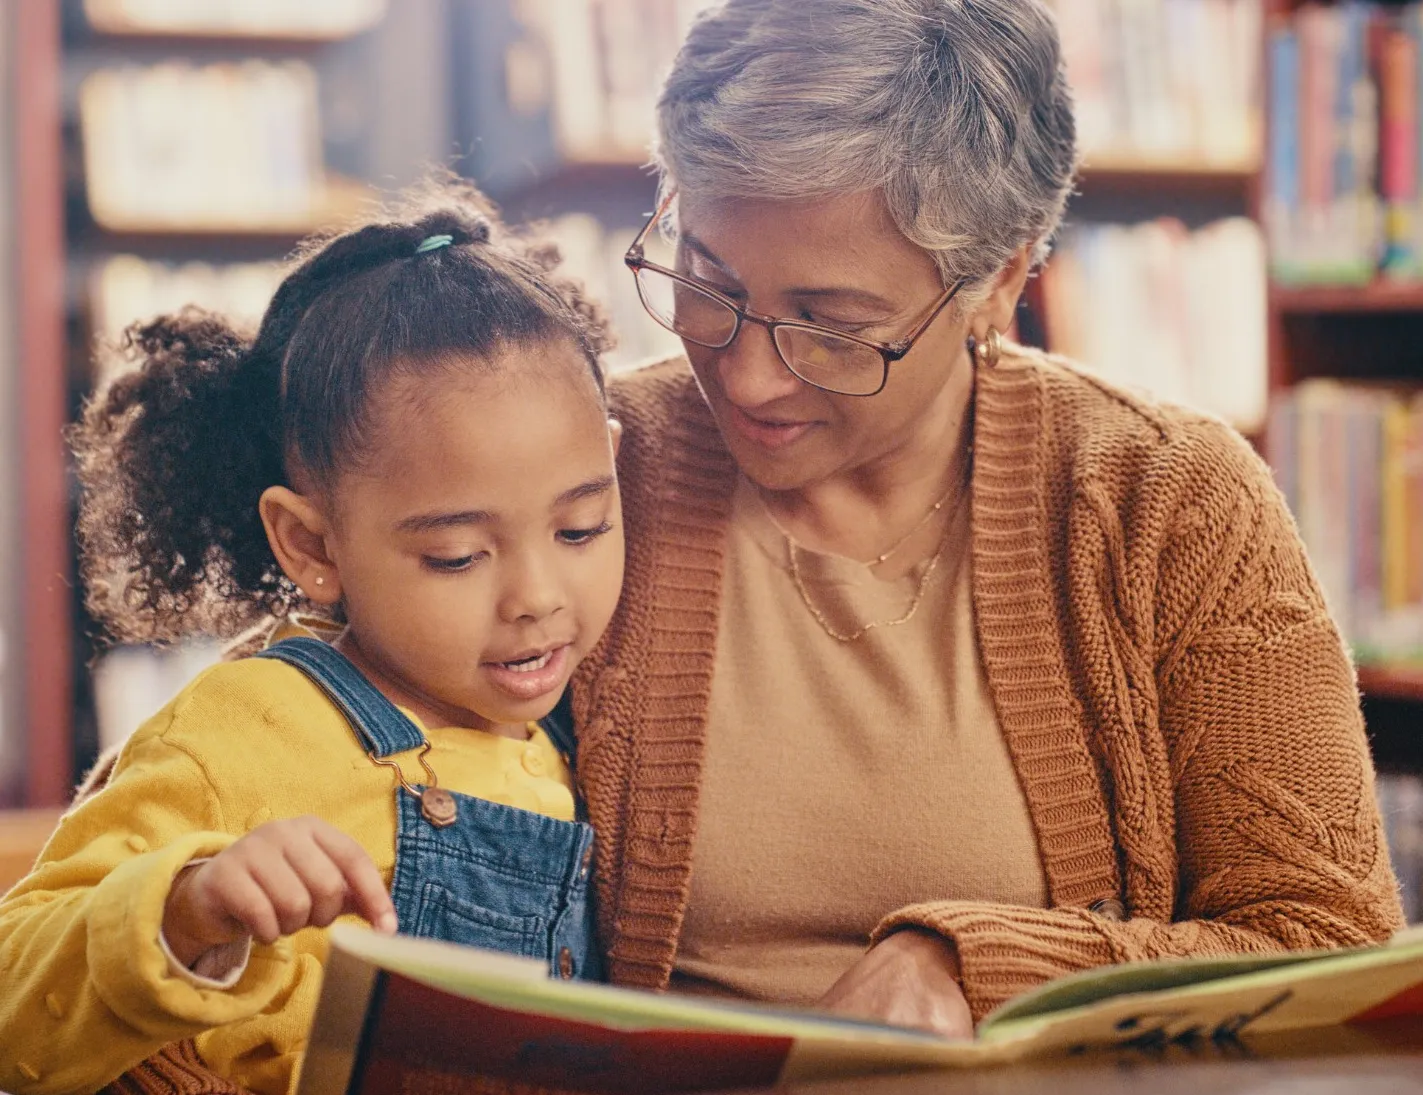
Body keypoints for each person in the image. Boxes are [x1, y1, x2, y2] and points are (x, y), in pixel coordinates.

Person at [561, 0, 1404, 1042]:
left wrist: (969, 968)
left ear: (1000, 280)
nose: (746, 376)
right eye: (706, 282)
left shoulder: (1168, 500)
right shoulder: (580, 465)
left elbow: (1327, 944)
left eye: (831, 326)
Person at [0, 183, 625, 1094]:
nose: (537, 597)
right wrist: (187, 907)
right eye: (456, 556)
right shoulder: (246, 727)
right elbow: (13, 1001)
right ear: (312, 546)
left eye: (580, 528)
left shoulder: (593, 720)